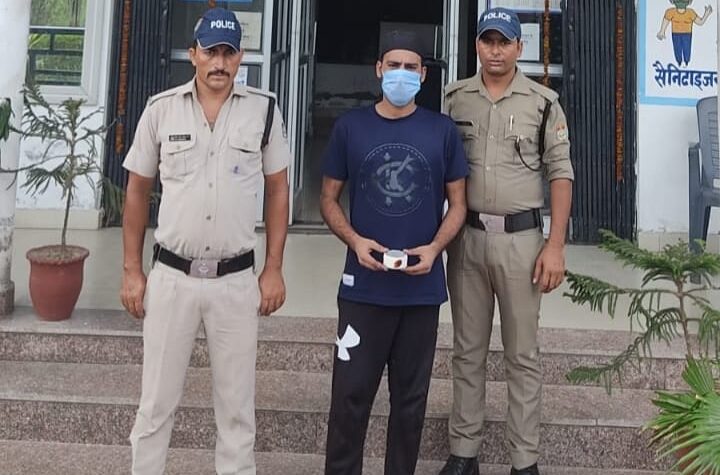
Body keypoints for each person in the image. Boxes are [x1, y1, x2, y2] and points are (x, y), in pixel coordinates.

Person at [120, 7, 290, 475]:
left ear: (241, 57)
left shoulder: (264, 110)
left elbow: (278, 190)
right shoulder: (161, 109)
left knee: (237, 412)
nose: (219, 62)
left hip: (235, 283)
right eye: (210, 52)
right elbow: (137, 190)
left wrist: (273, 268)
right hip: (171, 279)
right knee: (155, 407)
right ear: (192, 54)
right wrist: (132, 270)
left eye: (228, 53)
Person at [320, 30, 469, 475]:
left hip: (420, 292)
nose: (401, 75)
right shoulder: (350, 128)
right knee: (349, 399)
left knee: (410, 405)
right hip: (362, 289)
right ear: (378, 70)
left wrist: (436, 248)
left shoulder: (442, 131)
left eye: (410, 67)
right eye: (393, 66)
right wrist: (355, 241)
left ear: (423, 75)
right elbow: (328, 199)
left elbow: (459, 204)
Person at [438, 8, 574, 475]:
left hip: (522, 244)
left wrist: (555, 246)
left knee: (522, 355)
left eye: (504, 42)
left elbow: (561, 173)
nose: (495, 51)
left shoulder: (543, 103)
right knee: (466, 351)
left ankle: (524, 460)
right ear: (477, 45)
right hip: (468, 241)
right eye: (487, 41)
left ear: (519, 47)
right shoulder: (455, 99)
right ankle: (463, 453)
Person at [657, 0, 713, 67]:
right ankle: (679, 62)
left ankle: (686, 63)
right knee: (677, 49)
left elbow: (700, 22)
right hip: (675, 34)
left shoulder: (690, 12)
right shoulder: (670, 12)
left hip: (687, 35)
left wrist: (706, 14)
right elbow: (666, 21)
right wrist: (662, 31)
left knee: (687, 49)